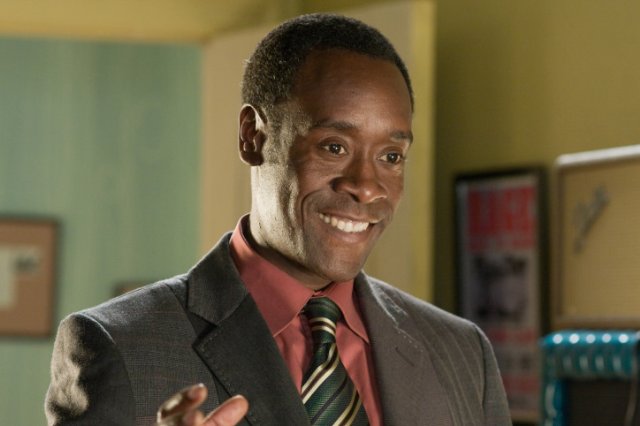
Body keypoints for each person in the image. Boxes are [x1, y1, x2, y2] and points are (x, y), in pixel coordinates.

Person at [45, 13, 510, 426]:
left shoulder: (462, 352)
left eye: (391, 156)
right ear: (253, 137)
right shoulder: (122, 346)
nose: (367, 187)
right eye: (334, 147)